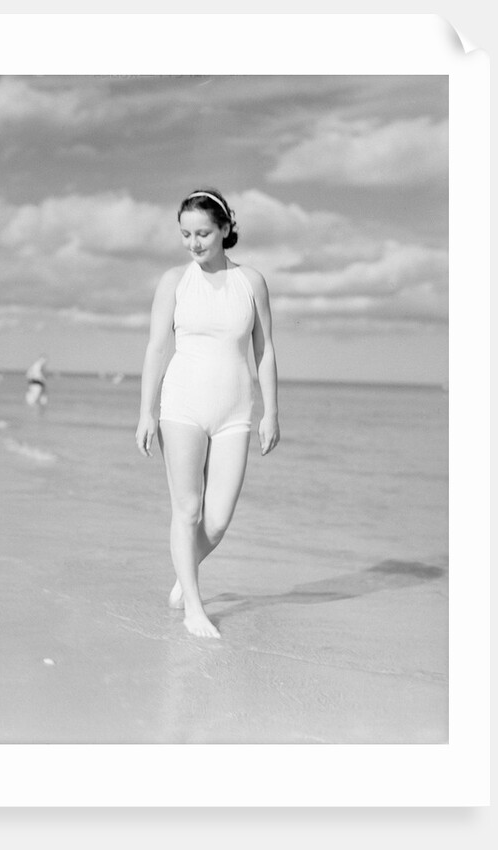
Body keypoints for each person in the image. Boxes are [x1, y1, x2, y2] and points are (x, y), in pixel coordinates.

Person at [136, 188, 280, 639]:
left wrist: (271, 411)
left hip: (235, 410)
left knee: (216, 521)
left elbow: (265, 349)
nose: (194, 243)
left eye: (202, 233)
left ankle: (186, 571)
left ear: (224, 229)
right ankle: (194, 610)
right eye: (186, 234)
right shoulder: (173, 282)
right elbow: (158, 347)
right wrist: (146, 411)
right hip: (181, 406)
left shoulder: (251, 282)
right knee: (188, 510)